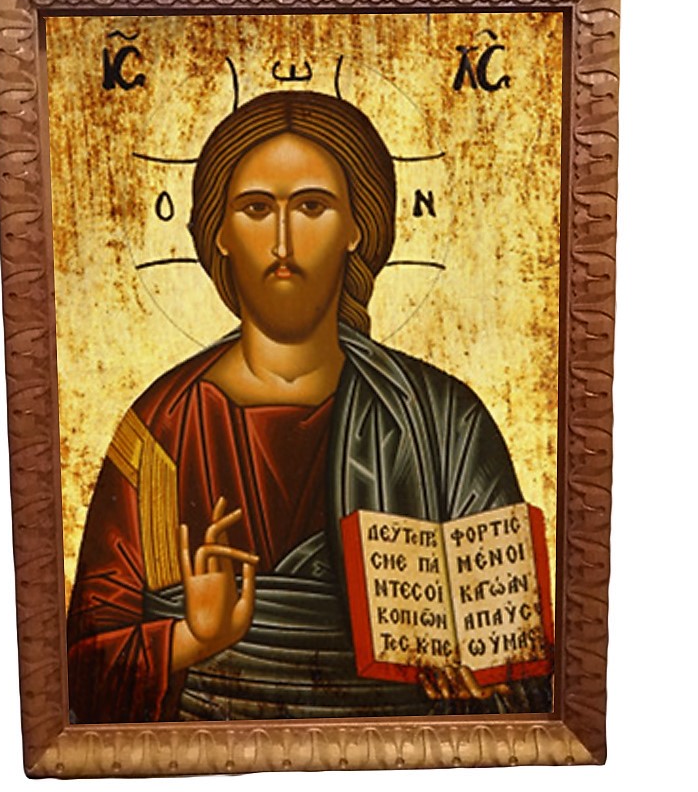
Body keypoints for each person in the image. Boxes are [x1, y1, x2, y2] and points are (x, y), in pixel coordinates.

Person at [67, 90, 550, 722]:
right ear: (219, 232)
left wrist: (483, 673)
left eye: (312, 207)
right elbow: (83, 671)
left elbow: (521, 668)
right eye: (256, 209)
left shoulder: (444, 421)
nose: (282, 242)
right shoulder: (163, 427)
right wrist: (193, 639)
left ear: (357, 227)